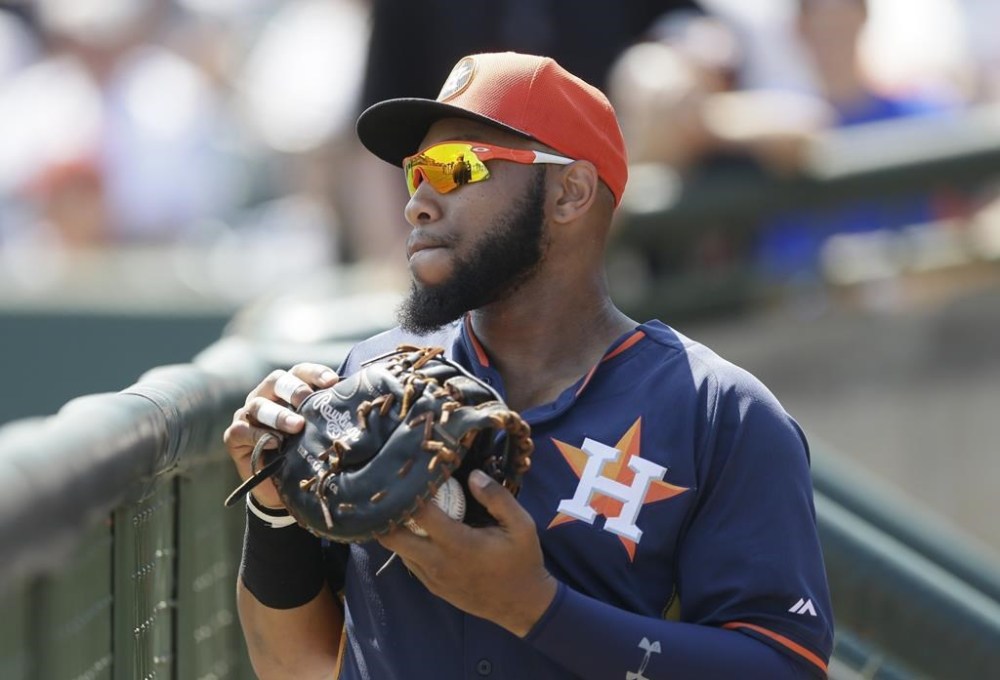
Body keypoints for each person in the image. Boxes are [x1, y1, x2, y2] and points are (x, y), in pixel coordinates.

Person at [224, 52, 834, 679]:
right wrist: (273, 506)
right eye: (415, 174)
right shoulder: (370, 380)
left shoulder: (716, 411)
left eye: (457, 168)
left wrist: (536, 610)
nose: (419, 203)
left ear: (569, 192)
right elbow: (296, 666)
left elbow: (785, 666)